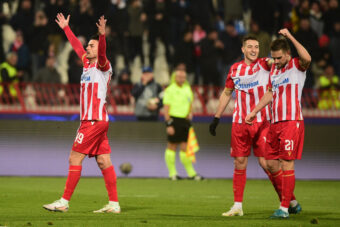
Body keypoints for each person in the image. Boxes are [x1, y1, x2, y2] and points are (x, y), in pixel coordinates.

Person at [209, 35, 300, 217]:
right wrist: (217, 117)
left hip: (263, 122)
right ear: (243, 49)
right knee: (239, 162)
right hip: (240, 122)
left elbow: (279, 61)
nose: (253, 50)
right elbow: (227, 93)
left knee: (267, 163)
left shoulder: (265, 64)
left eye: (256, 47)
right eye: (249, 46)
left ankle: (289, 200)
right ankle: (237, 206)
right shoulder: (234, 69)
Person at [43, 13, 120, 214]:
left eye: (92, 46)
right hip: (97, 121)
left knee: (74, 158)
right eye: (89, 46)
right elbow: (77, 46)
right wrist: (66, 28)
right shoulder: (86, 63)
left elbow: (102, 53)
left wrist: (102, 36)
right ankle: (114, 204)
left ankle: (64, 202)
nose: (88, 48)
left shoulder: (103, 66)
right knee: (104, 161)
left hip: (93, 121)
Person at [245, 28, 311, 218]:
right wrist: (254, 111)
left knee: (286, 164)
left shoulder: (298, 65)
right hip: (275, 123)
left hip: (291, 121)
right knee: (269, 164)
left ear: (288, 54)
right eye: (274, 58)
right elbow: (270, 93)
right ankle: (292, 202)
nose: (276, 61)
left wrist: (289, 36)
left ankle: (283, 209)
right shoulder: (274, 69)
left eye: (280, 58)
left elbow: (308, 57)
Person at [163, 69, 203, 181]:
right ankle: (172, 174)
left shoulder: (187, 89)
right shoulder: (170, 90)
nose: (182, 79)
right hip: (174, 119)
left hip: (185, 121)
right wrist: (168, 124)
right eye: (179, 77)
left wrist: (190, 113)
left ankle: (191, 174)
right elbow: (166, 109)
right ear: (175, 77)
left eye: (184, 77)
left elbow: (190, 104)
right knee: (172, 146)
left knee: (185, 147)